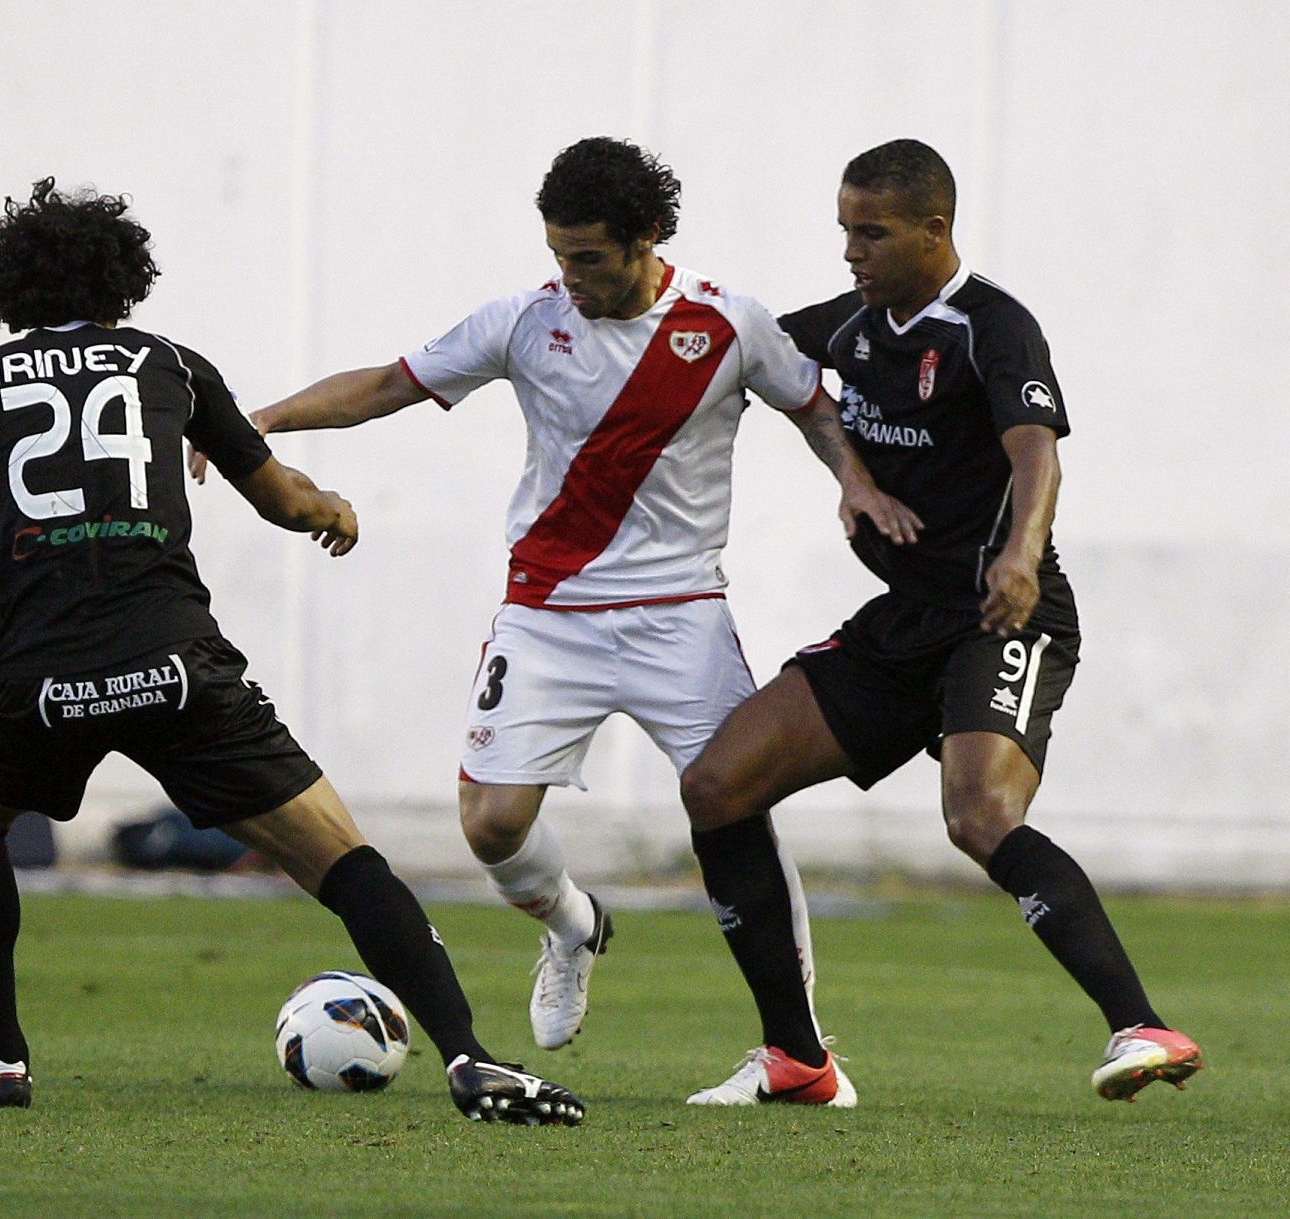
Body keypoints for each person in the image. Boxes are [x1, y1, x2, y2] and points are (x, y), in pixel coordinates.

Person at [0, 178, 584, 1126]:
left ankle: (3, 1057)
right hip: (174, 664)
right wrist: (332, 510)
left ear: (11, 287)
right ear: (125, 279)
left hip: (36, 678)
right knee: (339, 855)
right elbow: (284, 500)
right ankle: (469, 1054)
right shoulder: (168, 362)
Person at [233, 137, 921, 1107]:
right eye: (559, 255)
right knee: (491, 823)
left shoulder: (727, 326)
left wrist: (852, 482)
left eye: (588, 257)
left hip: (681, 615)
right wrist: (256, 421)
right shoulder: (523, 321)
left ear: (646, 240)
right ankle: (569, 924)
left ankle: (800, 1054)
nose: (570, 276)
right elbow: (389, 383)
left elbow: (812, 406)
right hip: (546, 614)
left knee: (736, 804)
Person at [680, 138, 1203, 1103]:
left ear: (933, 229)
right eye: (844, 231)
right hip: (904, 619)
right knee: (717, 783)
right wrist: (851, 477)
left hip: (1007, 615)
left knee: (979, 815)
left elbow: (1038, 455)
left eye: (870, 232)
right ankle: (797, 1059)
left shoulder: (991, 327)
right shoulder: (847, 327)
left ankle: (1145, 1026)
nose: (851, 252)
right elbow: (739, 355)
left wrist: (1017, 554)